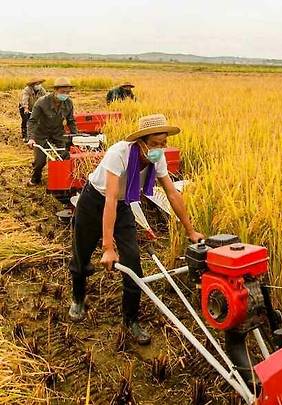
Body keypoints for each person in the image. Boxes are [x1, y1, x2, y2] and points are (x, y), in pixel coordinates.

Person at [68, 113, 204, 345]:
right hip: (94, 201)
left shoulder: (156, 158)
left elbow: (172, 193)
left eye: (163, 144)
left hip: (122, 207)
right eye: (154, 144)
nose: (159, 149)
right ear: (140, 142)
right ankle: (78, 298)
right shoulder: (118, 153)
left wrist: (190, 230)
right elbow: (109, 198)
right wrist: (108, 247)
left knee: (133, 263)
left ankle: (130, 319)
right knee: (82, 254)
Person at [26, 77, 78, 186]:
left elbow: (71, 120)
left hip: (57, 133)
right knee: (40, 162)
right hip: (41, 134)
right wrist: (31, 138)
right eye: (63, 92)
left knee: (64, 156)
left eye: (68, 92)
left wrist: (75, 135)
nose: (65, 94)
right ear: (55, 90)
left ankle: (62, 180)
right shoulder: (42, 102)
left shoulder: (68, 103)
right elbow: (32, 121)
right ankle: (35, 179)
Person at [19, 78, 47, 142]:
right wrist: (26, 108)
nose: (39, 85)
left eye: (39, 84)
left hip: (35, 107)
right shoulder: (27, 90)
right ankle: (25, 135)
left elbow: (46, 99)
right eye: (37, 84)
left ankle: (36, 135)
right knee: (26, 120)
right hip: (25, 107)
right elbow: (25, 99)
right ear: (33, 85)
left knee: (37, 121)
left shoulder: (42, 90)